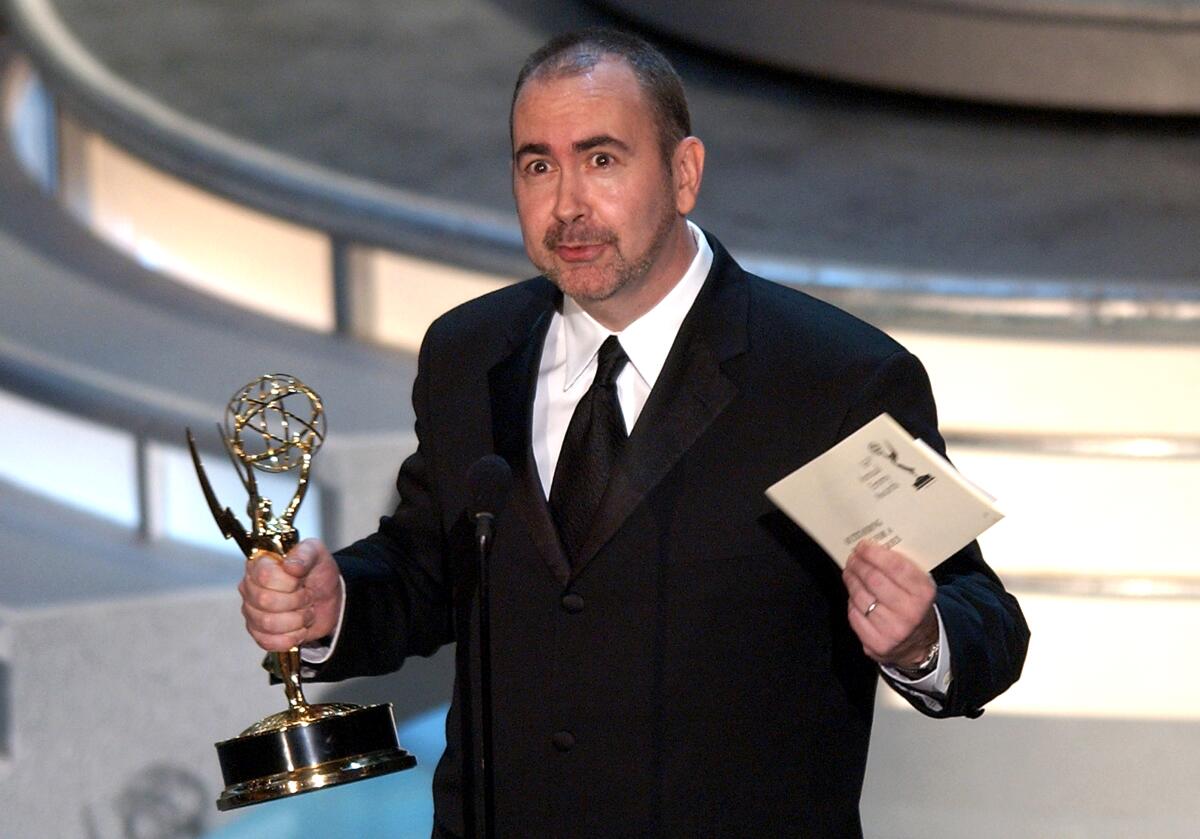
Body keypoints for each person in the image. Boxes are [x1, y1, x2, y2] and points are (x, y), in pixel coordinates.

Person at [238, 28, 1029, 838]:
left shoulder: (831, 377)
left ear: (684, 174)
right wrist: (338, 601)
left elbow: (984, 618)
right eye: (537, 165)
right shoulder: (467, 352)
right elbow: (427, 566)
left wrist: (920, 639)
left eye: (603, 159)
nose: (567, 205)